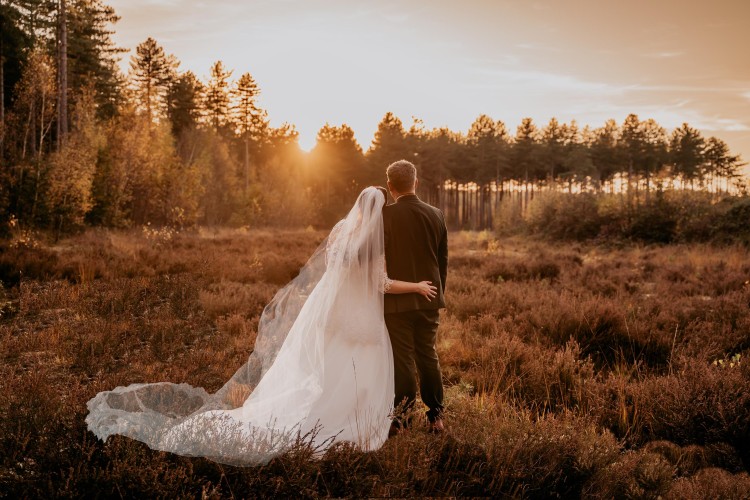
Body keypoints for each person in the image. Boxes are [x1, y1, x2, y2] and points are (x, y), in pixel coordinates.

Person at [85, 186, 437, 466]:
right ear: (379, 210)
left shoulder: (341, 230)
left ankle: (320, 415)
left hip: (331, 312)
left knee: (327, 367)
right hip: (362, 317)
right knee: (365, 369)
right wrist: (418, 286)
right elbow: (382, 284)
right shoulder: (376, 239)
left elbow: (333, 268)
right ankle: (357, 425)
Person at [382, 160, 448, 435]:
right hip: (430, 298)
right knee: (428, 356)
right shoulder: (436, 214)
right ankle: (436, 417)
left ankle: (404, 420)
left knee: (404, 360)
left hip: (396, 302)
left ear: (390, 186)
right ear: (416, 183)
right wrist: (435, 292)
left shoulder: (385, 216)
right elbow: (442, 260)